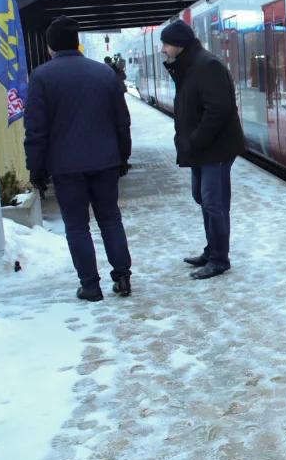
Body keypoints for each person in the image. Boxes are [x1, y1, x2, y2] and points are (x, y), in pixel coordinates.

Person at [25, 16, 133, 301]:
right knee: (110, 219)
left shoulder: (42, 77)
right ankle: (122, 277)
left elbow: (36, 129)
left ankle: (90, 285)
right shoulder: (104, 73)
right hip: (105, 161)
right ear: (78, 42)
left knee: (76, 225)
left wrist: (36, 169)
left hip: (66, 167)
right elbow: (122, 120)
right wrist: (123, 155)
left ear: (50, 46)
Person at [159, 20, 244, 279]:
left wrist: (194, 139)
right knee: (203, 199)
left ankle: (219, 259)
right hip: (200, 149)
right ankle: (212, 250)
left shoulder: (207, 66)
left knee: (213, 202)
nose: (163, 49)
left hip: (215, 149)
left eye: (166, 44)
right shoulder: (189, 66)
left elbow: (218, 111)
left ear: (179, 45)